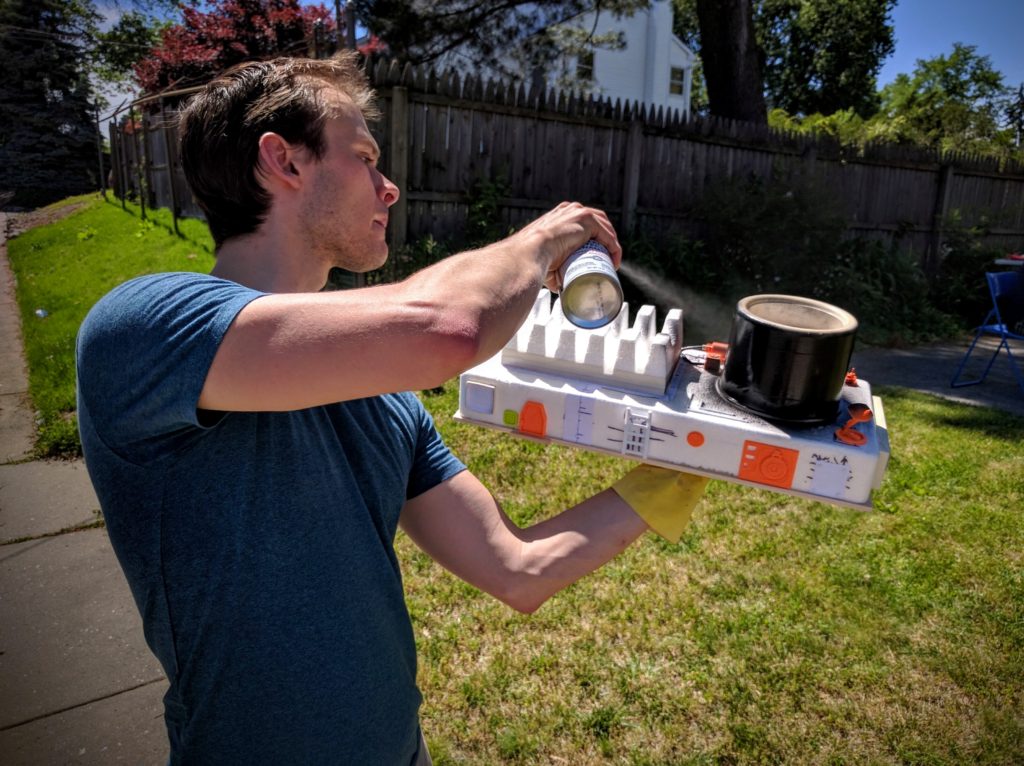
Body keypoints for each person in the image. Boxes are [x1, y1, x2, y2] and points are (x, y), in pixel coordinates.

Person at [76, 53, 708, 765]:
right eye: (365, 159)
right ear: (283, 161)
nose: (391, 187)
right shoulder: (144, 328)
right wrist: (541, 240)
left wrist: (684, 461)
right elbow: (450, 328)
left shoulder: (382, 398)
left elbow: (517, 567)